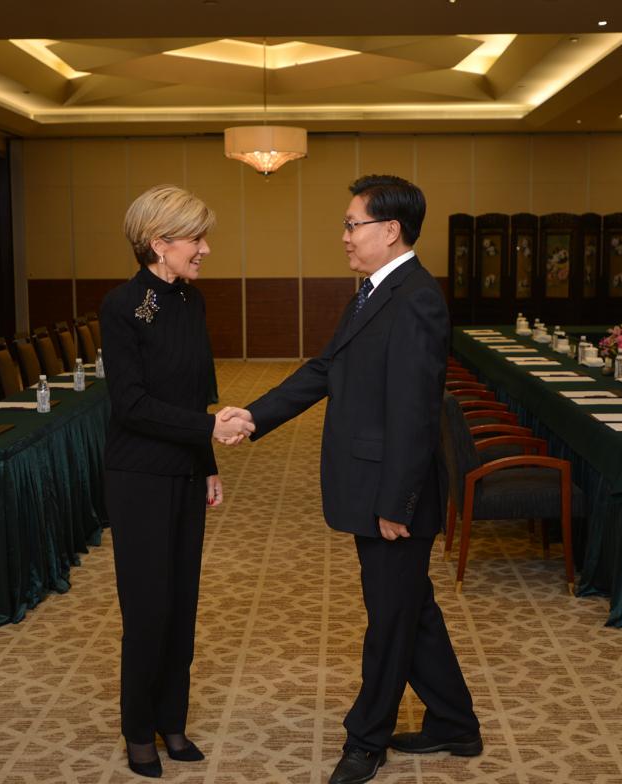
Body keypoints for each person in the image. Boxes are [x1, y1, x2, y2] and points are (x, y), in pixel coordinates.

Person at [222, 175, 481, 784]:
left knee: (389, 618)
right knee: (409, 606)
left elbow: (417, 413)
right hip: (372, 483)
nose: (343, 236)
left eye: (351, 224)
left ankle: (366, 740)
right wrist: (254, 416)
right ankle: (454, 722)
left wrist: (398, 503)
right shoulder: (372, 291)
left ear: (390, 231)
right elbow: (327, 369)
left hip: (395, 493)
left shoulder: (415, 297)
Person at [100, 185, 254, 778]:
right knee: (147, 607)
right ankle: (138, 729)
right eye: (196, 239)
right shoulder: (121, 305)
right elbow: (131, 404)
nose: (206, 249)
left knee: (182, 604)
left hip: (186, 471)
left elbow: (196, 393)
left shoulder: (192, 301)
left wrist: (207, 462)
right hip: (137, 474)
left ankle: (172, 721)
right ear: (158, 243)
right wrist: (209, 428)